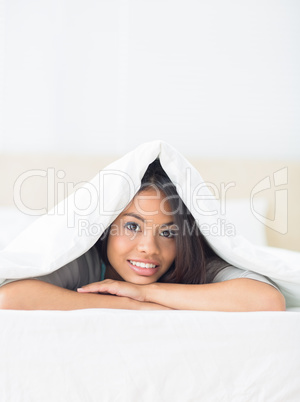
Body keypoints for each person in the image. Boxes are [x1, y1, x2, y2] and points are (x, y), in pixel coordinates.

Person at [0, 159, 285, 311]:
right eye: (133, 226)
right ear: (107, 227)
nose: (149, 248)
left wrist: (145, 293)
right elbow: (9, 298)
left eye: (169, 232)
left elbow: (267, 299)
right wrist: (126, 304)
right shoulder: (83, 260)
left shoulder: (189, 263)